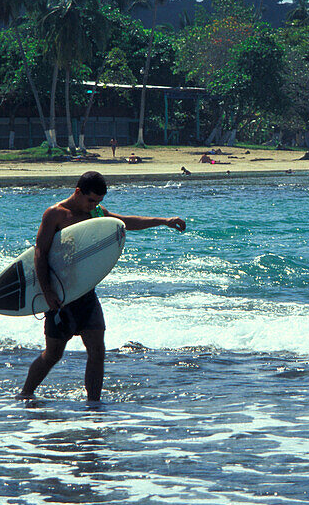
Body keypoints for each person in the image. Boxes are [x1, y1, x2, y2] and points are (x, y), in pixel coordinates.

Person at [18, 171, 186, 402]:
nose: (94, 206)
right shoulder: (55, 214)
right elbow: (39, 253)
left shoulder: (96, 213)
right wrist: (47, 292)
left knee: (97, 350)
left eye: (98, 202)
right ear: (78, 192)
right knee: (53, 354)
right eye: (91, 200)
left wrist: (163, 221)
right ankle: (25, 394)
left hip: (85, 292)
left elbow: (126, 222)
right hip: (61, 296)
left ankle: (94, 406)